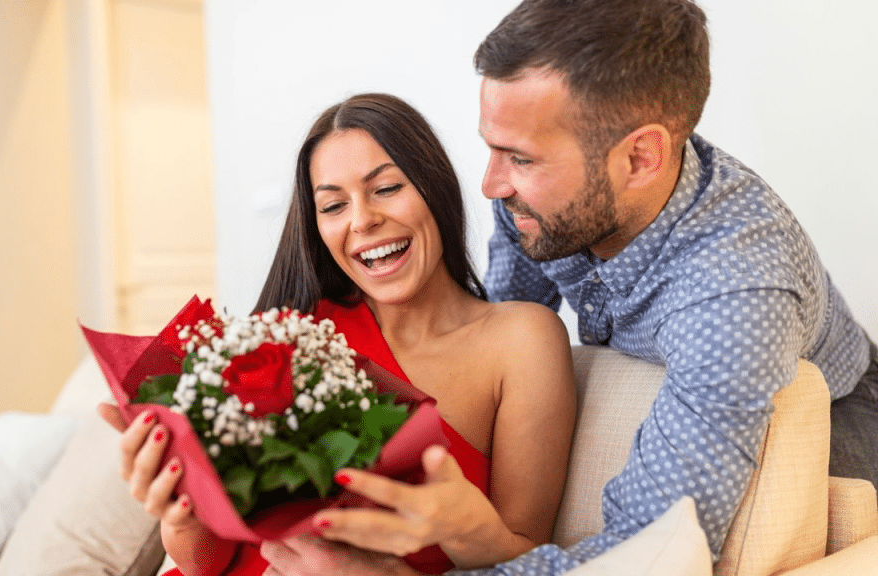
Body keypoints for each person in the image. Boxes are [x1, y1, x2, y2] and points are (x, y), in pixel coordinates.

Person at [258, 0, 878, 575]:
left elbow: (645, 554)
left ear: (641, 159)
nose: (490, 185)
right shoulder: (535, 194)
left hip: (845, 409)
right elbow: (505, 331)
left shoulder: (734, 298)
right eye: (493, 149)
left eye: (521, 159)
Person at [99, 93, 576, 575]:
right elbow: (210, 561)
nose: (361, 219)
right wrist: (179, 513)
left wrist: (460, 527)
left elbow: (526, 560)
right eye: (332, 205)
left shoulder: (522, 340)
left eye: (386, 188)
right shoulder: (287, 338)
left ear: (435, 187)